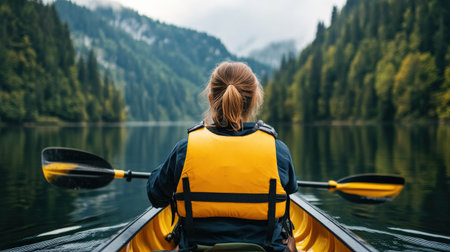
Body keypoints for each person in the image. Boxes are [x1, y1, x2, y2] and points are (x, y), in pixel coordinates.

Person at [147, 62, 298, 252]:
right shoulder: (278, 151)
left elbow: (155, 196)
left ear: (211, 99)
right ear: (253, 101)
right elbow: (290, 189)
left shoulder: (185, 150)